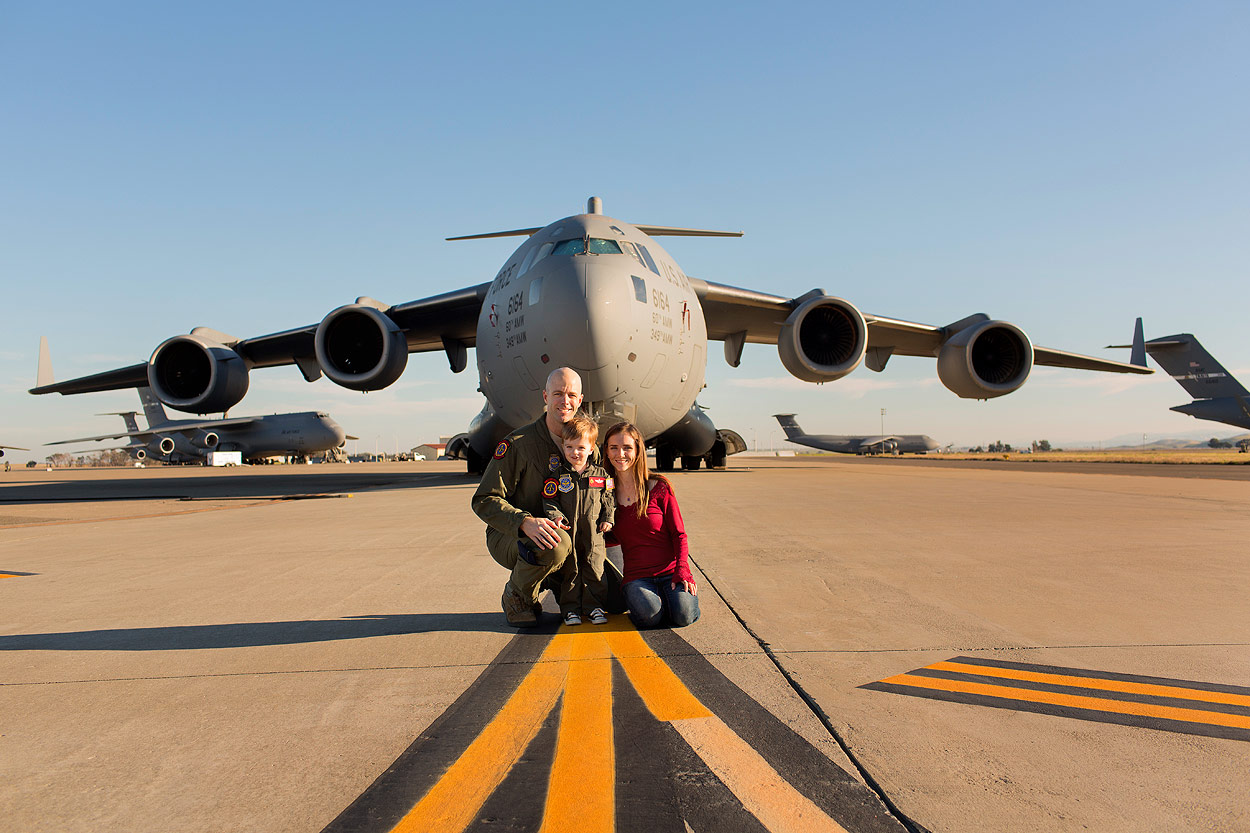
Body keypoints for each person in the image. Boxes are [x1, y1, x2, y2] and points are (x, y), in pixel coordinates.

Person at [471, 367, 584, 627]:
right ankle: (518, 595)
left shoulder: (586, 448)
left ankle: (557, 580)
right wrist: (524, 522)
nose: (564, 401)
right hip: (512, 534)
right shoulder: (519, 444)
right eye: (557, 393)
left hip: (568, 539)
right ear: (545, 396)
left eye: (571, 395)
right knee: (555, 546)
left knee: (614, 601)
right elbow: (484, 499)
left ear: (580, 400)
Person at [602, 422, 700, 628]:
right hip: (637, 578)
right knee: (649, 616)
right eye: (614, 448)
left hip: (670, 572)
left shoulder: (659, 487)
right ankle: (654, 604)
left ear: (638, 450)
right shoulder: (605, 493)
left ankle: (674, 602)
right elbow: (609, 538)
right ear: (607, 452)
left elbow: (679, 534)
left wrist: (682, 569)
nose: (621, 454)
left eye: (627, 447)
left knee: (684, 616)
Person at [545, 415, 615, 626]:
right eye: (569, 447)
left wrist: (608, 519)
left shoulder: (602, 475)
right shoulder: (558, 475)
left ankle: (594, 607)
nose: (575, 453)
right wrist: (555, 516)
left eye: (581, 448)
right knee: (571, 568)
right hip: (569, 528)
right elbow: (549, 500)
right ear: (564, 447)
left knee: (595, 567)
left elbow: (609, 499)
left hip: (594, 529)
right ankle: (570, 610)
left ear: (592, 448)